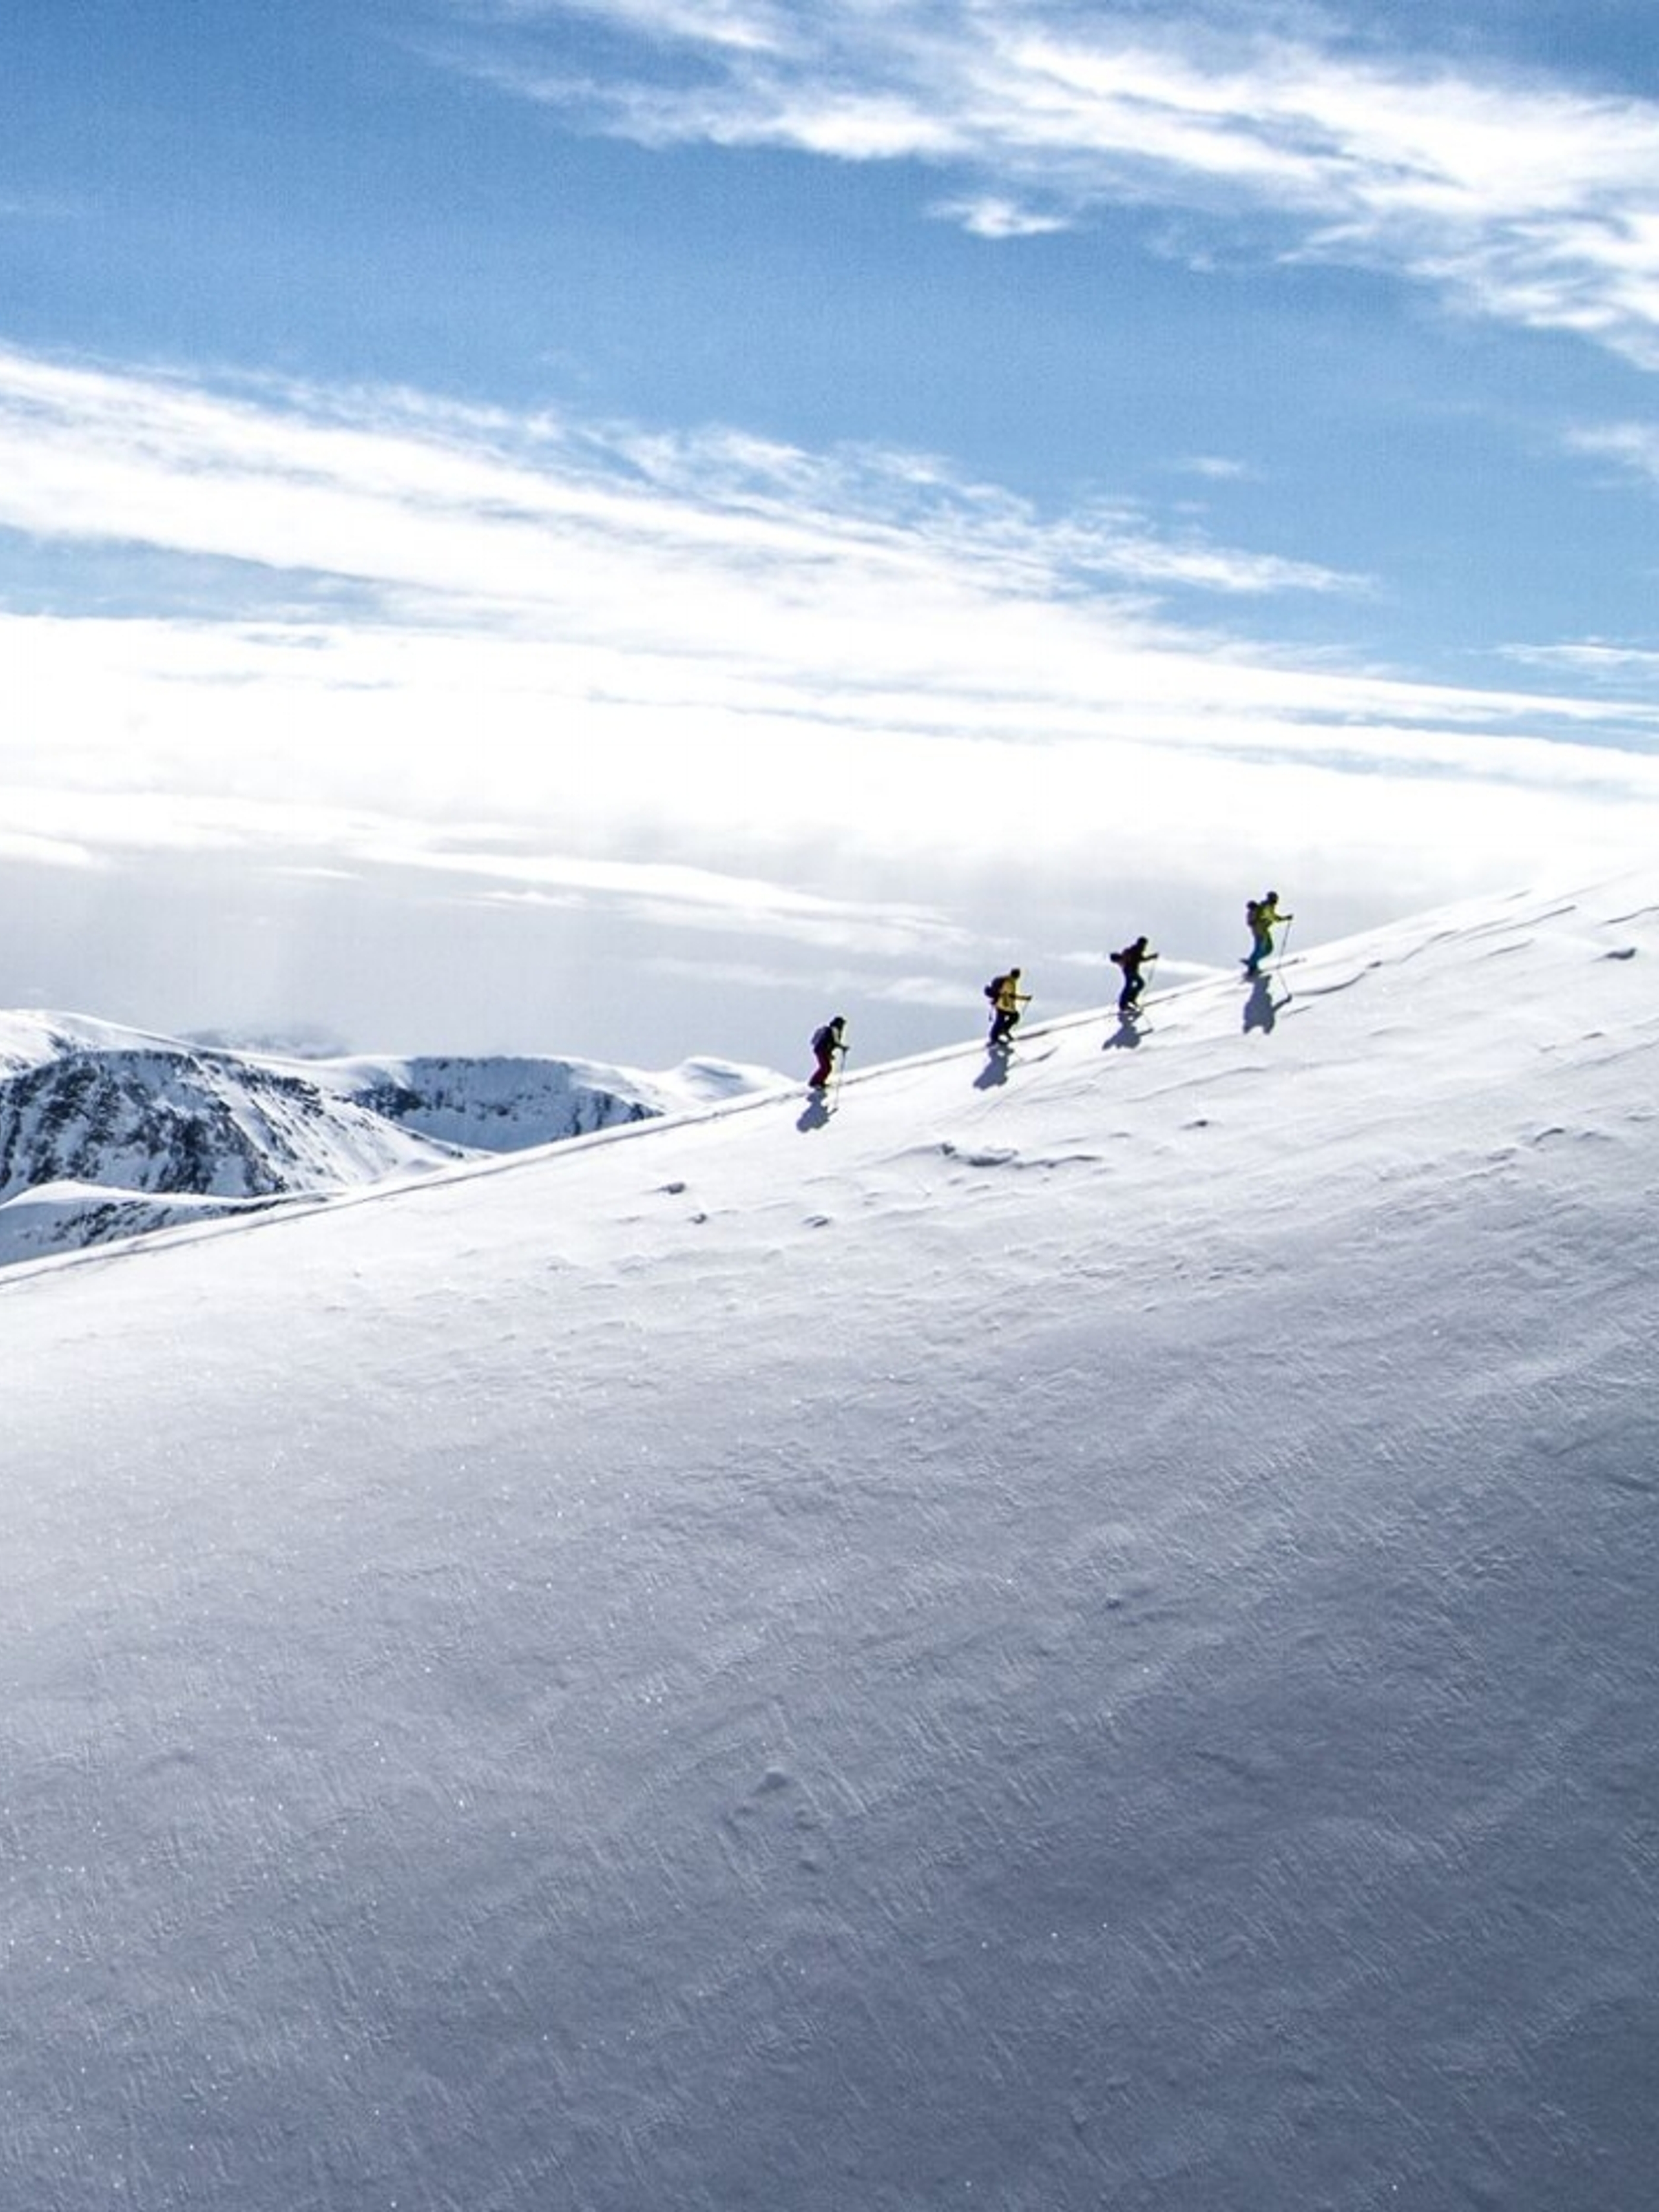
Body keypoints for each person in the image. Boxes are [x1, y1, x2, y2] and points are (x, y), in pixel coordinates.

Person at [1243, 891, 1293, 977]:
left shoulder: (1267, 907)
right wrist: (1285, 918)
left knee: (1268, 949)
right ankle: (1252, 967)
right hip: (1261, 931)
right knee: (1261, 949)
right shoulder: (1267, 907)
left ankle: (1252, 963)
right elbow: (1273, 918)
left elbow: (1272, 917)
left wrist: (1284, 918)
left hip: (1262, 931)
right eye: (1275, 899)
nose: (1276, 901)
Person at [1110, 934, 1157, 1014]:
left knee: (1137, 984)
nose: (1145, 946)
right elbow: (1142, 959)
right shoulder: (1137, 950)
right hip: (1130, 971)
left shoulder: (1137, 949)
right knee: (1132, 985)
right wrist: (1152, 957)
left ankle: (1129, 1000)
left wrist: (1152, 957)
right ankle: (1124, 1004)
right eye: (1145, 944)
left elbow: (1141, 959)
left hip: (1130, 971)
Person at [985, 967, 1031, 1047]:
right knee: (1010, 1018)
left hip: (1001, 1005)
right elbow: (1011, 995)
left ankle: (998, 1034)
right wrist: (1025, 998)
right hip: (1004, 1006)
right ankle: (996, 1036)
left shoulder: (1009, 980)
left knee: (1003, 1020)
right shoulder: (1010, 982)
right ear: (1018, 975)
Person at [808, 1015, 846, 1090]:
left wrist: (830, 1054)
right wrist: (843, 1048)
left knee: (826, 1067)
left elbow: (830, 1043)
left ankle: (818, 1082)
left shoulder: (831, 1030)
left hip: (820, 1050)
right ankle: (815, 1083)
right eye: (842, 1024)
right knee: (826, 1067)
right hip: (822, 1050)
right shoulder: (835, 1029)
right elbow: (835, 1042)